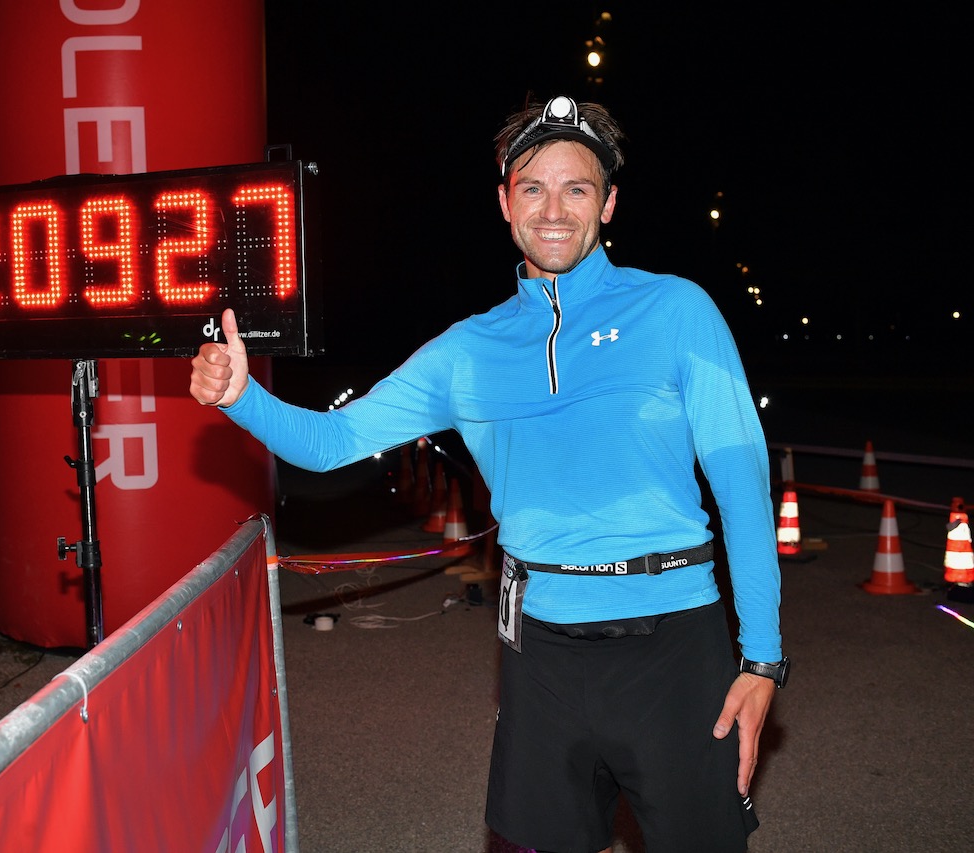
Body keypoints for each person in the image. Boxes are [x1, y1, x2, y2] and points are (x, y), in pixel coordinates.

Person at [189, 94, 784, 853]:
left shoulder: (677, 310)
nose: (555, 209)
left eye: (578, 188)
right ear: (505, 203)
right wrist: (243, 395)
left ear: (608, 204)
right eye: (533, 187)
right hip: (542, 652)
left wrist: (763, 657)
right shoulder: (468, 349)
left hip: (675, 643)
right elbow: (333, 441)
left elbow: (742, 485)